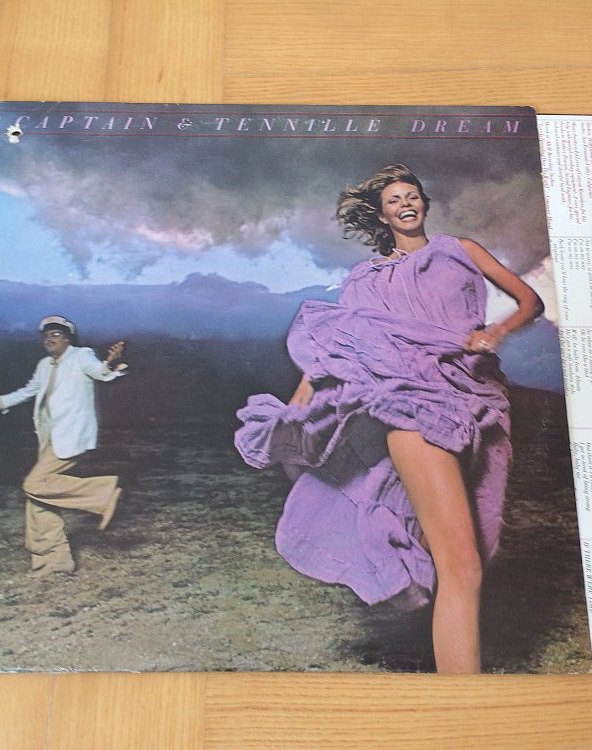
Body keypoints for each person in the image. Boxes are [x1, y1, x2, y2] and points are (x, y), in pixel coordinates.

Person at [235, 164, 543, 673]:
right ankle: (463, 699)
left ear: (424, 203)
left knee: (466, 557)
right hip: (411, 405)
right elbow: (340, 344)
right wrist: (301, 403)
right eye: (395, 199)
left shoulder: (459, 249)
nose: (406, 203)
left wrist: (497, 332)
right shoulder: (367, 279)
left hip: (475, 400)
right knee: (462, 567)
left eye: (412, 195)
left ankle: (439, 647)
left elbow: (530, 302)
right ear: (382, 216)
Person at [0, 315, 128, 577]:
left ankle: (104, 493)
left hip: (72, 436)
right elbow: (28, 391)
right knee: (38, 501)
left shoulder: (81, 355)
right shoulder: (44, 365)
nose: (50, 339)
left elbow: (100, 372)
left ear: (68, 339)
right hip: (49, 437)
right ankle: (54, 561)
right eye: (46, 335)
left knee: (34, 484)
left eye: (56, 334)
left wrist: (109, 363)